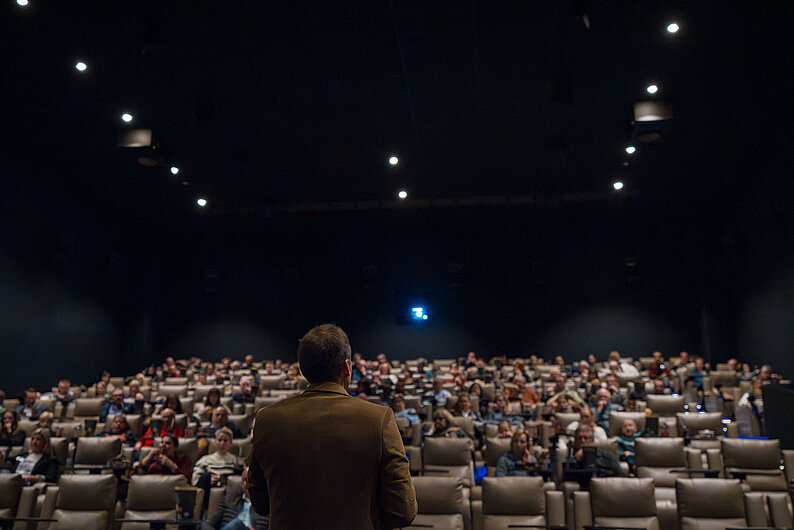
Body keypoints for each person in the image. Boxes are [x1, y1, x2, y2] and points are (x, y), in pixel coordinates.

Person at [248, 323, 416, 529]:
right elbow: (402, 512)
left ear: (303, 369)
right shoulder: (379, 418)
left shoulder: (267, 419)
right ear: (347, 367)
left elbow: (260, 504)